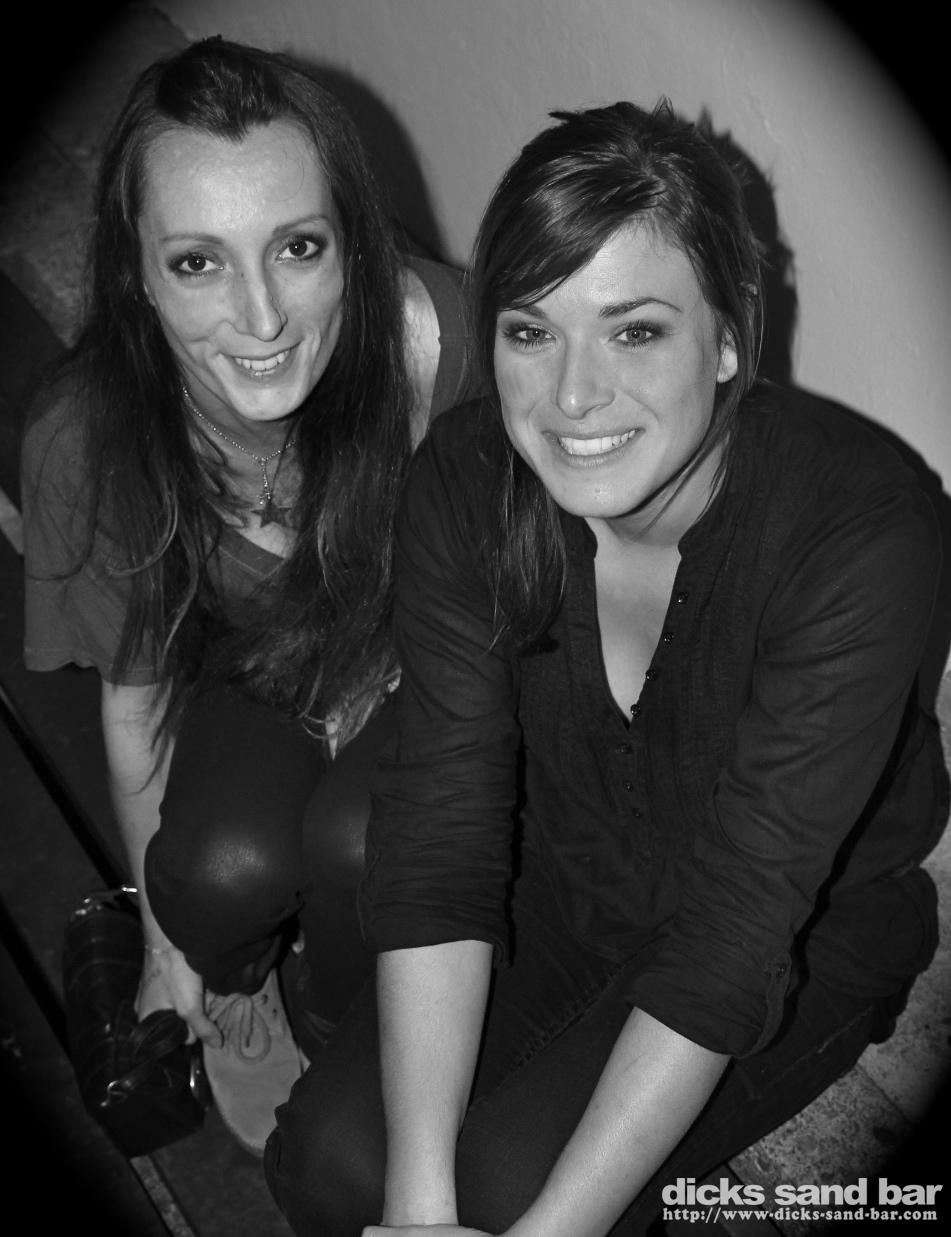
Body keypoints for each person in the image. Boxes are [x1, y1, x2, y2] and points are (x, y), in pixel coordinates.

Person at [263, 100, 949, 1235]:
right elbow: (444, 828)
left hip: (799, 930)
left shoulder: (863, 536)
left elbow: (735, 936)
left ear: (728, 338)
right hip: (563, 865)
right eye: (530, 332)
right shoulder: (464, 482)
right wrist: (418, 1209)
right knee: (330, 1163)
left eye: (634, 331)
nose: (572, 396)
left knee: (516, 1194)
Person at [20, 37, 480, 1156]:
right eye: (198, 263)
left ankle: (336, 1028)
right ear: (135, 272)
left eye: (298, 246)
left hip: (440, 657)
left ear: (353, 242)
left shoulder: (451, 350)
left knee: (368, 844)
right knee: (220, 874)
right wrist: (169, 957)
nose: (263, 317)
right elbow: (135, 705)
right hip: (264, 665)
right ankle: (243, 984)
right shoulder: (88, 443)